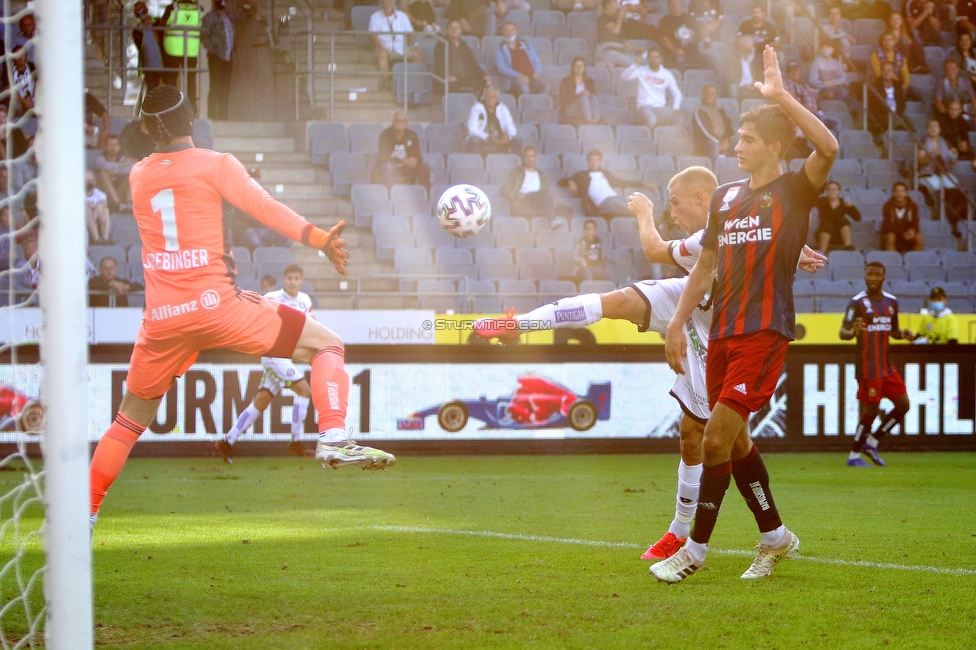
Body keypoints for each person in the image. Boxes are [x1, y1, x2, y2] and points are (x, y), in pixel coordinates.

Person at [474, 166, 829, 561]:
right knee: (621, 307)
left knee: (723, 439)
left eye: (675, 202)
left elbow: (657, 250)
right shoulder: (715, 234)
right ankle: (520, 324)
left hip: (733, 332)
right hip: (692, 303)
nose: (671, 212)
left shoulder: (722, 227)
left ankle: (767, 533)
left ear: (700, 199)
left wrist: (643, 212)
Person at [87, 85, 395, 531]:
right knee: (328, 345)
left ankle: (88, 511)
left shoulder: (138, 175)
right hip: (218, 307)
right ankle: (331, 436)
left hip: (162, 322)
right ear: (192, 122)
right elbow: (264, 208)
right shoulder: (216, 165)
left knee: (127, 421)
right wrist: (318, 239)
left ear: (149, 128)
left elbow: (160, 157)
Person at [654, 45, 839, 583]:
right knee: (735, 442)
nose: (737, 146)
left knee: (714, 437)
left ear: (775, 147)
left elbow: (828, 145)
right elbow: (705, 264)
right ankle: (775, 537)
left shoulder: (795, 190)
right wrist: (674, 322)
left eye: (748, 138)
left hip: (764, 332)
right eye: (737, 137)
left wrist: (781, 96)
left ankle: (695, 550)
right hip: (723, 337)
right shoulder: (726, 198)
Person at [217, 264, 317, 462]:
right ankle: (296, 442)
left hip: (283, 356)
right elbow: (253, 313)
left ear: (301, 281)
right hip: (273, 355)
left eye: (297, 278)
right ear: (284, 279)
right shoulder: (273, 297)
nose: (293, 282)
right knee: (305, 391)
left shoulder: (305, 300)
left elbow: (311, 326)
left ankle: (227, 441)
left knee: (261, 401)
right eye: (289, 278)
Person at [839, 262, 914, 468]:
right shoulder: (857, 303)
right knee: (871, 410)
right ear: (864, 277)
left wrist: (903, 335)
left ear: (883, 277)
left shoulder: (891, 302)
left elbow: (894, 331)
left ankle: (872, 442)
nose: (872, 278)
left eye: (877, 275)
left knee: (903, 405)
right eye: (869, 275)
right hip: (868, 367)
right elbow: (842, 333)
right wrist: (853, 331)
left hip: (886, 367)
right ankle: (854, 455)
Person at [567, 149, 647, 218]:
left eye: (596, 160)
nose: (594, 163)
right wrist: (570, 181)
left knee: (639, 206)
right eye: (591, 160)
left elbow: (621, 182)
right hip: (605, 203)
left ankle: (654, 220)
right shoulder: (582, 175)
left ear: (600, 161)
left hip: (617, 198)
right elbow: (561, 181)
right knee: (635, 209)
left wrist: (642, 183)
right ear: (587, 162)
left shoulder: (605, 173)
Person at [917, 118, 964, 232]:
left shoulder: (945, 142)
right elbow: (919, 162)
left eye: (935, 126)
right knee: (942, 189)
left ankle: (953, 218)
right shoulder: (922, 142)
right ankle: (947, 218)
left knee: (955, 190)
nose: (933, 128)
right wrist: (930, 154)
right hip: (928, 174)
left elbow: (952, 162)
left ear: (939, 130)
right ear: (928, 129)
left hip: (944, 174)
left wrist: (954, 154)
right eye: (930, 126)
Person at [621, 49, 683, 129]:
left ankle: (662, 136)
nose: (654, 60)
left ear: (660, 59)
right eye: (651, 58)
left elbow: (677, 93)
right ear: (647, 59)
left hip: (660, 108)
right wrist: (635, 64)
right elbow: (623, 77)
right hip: (644, 106)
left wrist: (676, 107)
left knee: (678, 119)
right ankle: (649, 139)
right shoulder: (641, 70)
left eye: (656, 58)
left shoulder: (666, 73)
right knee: (651, 119)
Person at [160, 0, 202, 110]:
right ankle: (192, 107)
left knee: (171, 78)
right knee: (190, 79)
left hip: (172, 48)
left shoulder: (172, 7)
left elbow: (161, 25)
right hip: (190, 49)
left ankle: (172, 106)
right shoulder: (199, 8)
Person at [371, 112, 431, 188]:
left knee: (424, 167)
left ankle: (425, 194)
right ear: (393, 122)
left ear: (406, 123)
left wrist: (415, 160)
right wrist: (401, 160)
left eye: (402, 121)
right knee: (387, 167)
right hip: (390, 166)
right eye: (397, 121)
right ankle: (389, 195)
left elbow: (419, 156)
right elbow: (382, 157)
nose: (400, 123)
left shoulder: (412, 135)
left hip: (407, 167)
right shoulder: (385, 135)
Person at [201, 0, 239, 121]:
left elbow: (239, 19)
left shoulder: (229, 15)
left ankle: (223, 116)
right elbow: (204, 36)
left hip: (228, 57)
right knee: (215, 87)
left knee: (225, 87)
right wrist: (214, 50)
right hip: (216, 57)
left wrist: (246, 8)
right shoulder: (209, 17)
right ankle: (212, 115)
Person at [433, 19, 487, 97]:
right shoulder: (441, 44)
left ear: (460, 30)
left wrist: (483, 75)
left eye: (457, 28)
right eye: (451, 28)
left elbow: (472, 62)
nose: (454, 30)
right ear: (447, 30)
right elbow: (439, 64)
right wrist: (446, 76)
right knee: (453, 87)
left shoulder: (464, 44)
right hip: (449, 78)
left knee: (483, 82)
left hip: (463, 77)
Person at [500, 146, 555, 219]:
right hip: (524, 201)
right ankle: (552, 220)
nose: (529, 159)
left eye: (532, 156)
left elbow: (547, 192)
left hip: (539, 202)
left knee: (567, 209)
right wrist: (517, 195)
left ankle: (555, 224)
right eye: (527, 156)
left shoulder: (542, 175)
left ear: (535, 158)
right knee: (544, 193)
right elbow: (504, 190)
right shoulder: (515, 172)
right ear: (523, 157)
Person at [494, 22, 547, 96]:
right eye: (506, 30)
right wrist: (519, 76)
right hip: (514, 79)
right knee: (524, 89)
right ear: (502, 33)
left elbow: (536, 61)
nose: (509, 32)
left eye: (512, 30)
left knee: (545, 87)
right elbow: (501, 68)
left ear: (515, 31)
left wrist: (537, 72)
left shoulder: (526, 44)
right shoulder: (499, 48)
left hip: (531, 76)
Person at [369, 0, 422, 73]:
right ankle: (386, 83)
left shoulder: (402, 16)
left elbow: (410, 33)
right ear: (381, 3)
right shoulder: (374, 17)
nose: (387, 4)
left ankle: (414, 81)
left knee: (417, 53)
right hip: (385, 48)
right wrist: (380, 47)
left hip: (401, 48)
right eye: (384, 2)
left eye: (389, 1)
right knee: (382, 55)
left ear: (394, 3)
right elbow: (373, 36)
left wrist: (414, 45)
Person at [465, 86, 519, 155]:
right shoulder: (477, 108)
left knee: (516, 140)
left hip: (500, 139)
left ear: (497, 98)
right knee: (474, 140)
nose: (491, 99)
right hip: (483, 140)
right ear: (484, 97)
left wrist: (508, 137)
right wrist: (488, 137)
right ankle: (476, 164)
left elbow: (511, 127)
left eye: (493, 96)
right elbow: (471, 130)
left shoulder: (503, 108)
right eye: (488, 96)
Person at [657, 0, 710, 70]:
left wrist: (705, 34)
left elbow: (701, 30)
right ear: (668, 6)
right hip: (674, 54)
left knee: (709, 61)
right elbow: (663, 39)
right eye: (672, 4)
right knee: (681, 63)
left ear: (681, 5)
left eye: (677, 3)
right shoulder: (665, 21)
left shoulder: (690, 18)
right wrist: (675, 50)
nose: (674, 6)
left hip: (692, 53)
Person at [133, 2, 172, 92]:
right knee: (151, 92)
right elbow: (139, 47)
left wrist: (150, 22)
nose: (140, 12)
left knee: (170, 90)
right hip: (149, 67)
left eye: (141, 9)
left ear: (146, 9)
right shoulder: (137, 30)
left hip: (164, 64)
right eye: (137, 10)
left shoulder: (158, 23)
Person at [594, 0, 642, 72]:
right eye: (615, 4)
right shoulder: (603, 18)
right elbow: (615, 31)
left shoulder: (614, 20)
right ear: (608, 5)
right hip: (608, 51)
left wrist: (638, 49)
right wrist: (620, 15)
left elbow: (622, 40)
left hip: (620, 50)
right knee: (633, 65)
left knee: (643, 62)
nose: (617, 6)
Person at [812, 181, 861, 251]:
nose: (832, 191)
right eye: (830, 189)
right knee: (826, 225)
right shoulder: (821, 201)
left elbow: (857, 218)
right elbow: (807, 204)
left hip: (839, 234)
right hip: (824, 232)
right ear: (826, 191)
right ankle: (822, 250)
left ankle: (847, 246)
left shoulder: (844, 202)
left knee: (844, 221)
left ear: (839, 191)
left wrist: (851, 207)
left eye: (834, 189)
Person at [867, 60, 907, 143]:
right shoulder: (875, 85)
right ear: (881, 72)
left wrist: (897, 114)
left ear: (893, 72)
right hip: (882, 115)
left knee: (909, 123)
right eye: (884, 70)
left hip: (896, 115)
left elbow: (901, 103)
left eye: (889, 70)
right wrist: (890, 113)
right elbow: (875, 104)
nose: (887, 73)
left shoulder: (898, 85)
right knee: (898, 122)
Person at [93, 135, 134, 213]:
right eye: (110, 145)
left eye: (115, 145)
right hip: (103, 193)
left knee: (131, 175)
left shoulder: (123, 158)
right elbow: (105, 166)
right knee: (103, 173)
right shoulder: (100, 158)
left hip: (118, 191)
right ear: (105, 147)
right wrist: (121, 166)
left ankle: (128, 204)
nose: (113, 147)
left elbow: (132, 167)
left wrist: (116, 171)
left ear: (119, 147)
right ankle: (120, 205)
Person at [880, 181, 925, 252]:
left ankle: (916, 261)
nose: (899, 194)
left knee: (919, 238)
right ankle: (892, 261)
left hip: (907, 234)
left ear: (906, 193)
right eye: (896, 191)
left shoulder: (913, 206)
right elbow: (888, 225)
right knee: (891, 237)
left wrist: (912, 230)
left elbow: (915, 221)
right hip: (894, 233)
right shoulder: (887, 206)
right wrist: (903, 233)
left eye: (901, 191)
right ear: (893, 193)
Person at [692, 84, 733, 158]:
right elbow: (705, 132)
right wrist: (719, 142)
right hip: (707, 142)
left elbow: (729, 127)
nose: (710, 95)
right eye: (707, 93)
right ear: (703, 95)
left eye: (713, 93)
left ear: (716, 96)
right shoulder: (699, 111)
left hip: (723, 140)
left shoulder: (721, 110)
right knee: (715, 146)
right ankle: (714, 168)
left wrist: (727, 140)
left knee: (740, 144)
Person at [559, 58, 601, 126]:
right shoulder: (566, 81)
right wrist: (578, 94)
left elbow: (594, 97)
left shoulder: (589, 81)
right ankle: (589, 121)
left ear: (584, 68)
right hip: (571, 109)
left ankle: (596, 119)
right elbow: (563, 99)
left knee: (593, 96)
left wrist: (588, 93)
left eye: (581, 66)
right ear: (572, 68)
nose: (579, 68)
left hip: (586, 109)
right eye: (576, 66)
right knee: (583, 97)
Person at [809, 39, 850, 104]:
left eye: (828, 47)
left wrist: (834, 82)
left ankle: (833, 106)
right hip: (821, 88)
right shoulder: (816, 62)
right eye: (823, 47)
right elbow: (812, 80)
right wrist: (825, 84)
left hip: (834, 87)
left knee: (845, 94)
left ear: (832, 49)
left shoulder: (836, 63)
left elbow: (843, 77)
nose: (825, 49)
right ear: (820, 49)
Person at [0, 47, 36, 118]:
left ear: (26, 56)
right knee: (16, 106)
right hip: (18, 100)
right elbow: (7, 89)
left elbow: (39, 83)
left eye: (23, 54)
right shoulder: (7, 70)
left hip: (33, 97)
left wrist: (34, 98)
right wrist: (24, 101)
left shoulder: (32, 66)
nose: (21, 57)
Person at [725, 35, 764, 101]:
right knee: (733, 87)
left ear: (753, 48)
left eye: (749, 48)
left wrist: (757, 81)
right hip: (739, 84)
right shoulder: (733, 58)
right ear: (740, 47)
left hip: (753, 84)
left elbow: (760, 74)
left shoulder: (756, 59)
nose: (747, 50)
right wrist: (743, 84)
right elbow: (730, 76)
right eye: (745, 48)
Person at [85, 169, 112, 246]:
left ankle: (105, 239)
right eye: (85, 180)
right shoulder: (76, 192)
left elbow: (103, 201)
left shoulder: (98, 192)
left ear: (94, 181)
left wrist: (99, 206)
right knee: (87, 210)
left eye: (90, 180)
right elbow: (84, 202)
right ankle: (96, 239)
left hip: (98, 217)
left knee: (105, 210)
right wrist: (96, 207)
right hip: (82, 220)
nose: (88, 182)